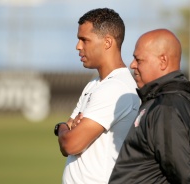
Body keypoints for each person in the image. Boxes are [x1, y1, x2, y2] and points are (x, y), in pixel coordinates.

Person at [108, 29, 190, 184]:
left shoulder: (167, 107)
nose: (132, 64)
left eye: (139, 60)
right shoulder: (159, 101)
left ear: (163, 61)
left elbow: (185, 175)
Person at [54, 8, 140, 184]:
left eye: (84, 40)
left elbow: (70, 144)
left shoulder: (115, 87)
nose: (78, 46)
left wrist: (62, 128)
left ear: (107, 42)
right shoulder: (95, 84)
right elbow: (68, 143)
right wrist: (67, 130)